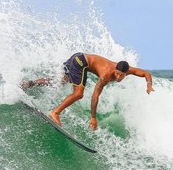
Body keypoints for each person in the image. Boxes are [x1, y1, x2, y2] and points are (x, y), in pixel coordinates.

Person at [22, 53, 154, 130]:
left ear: (127, 73)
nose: (118, 77)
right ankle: (55, 113)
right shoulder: (106, 75)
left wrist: (148, 85)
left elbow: (146, 73)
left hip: (77, 57)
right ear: (115, 70)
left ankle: (29, 84)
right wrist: (93, 118)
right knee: (78, 94)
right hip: (81, 62)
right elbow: (95, 95)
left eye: (121, 75)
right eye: (117, 73)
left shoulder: (129, 70)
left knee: (61, 82)